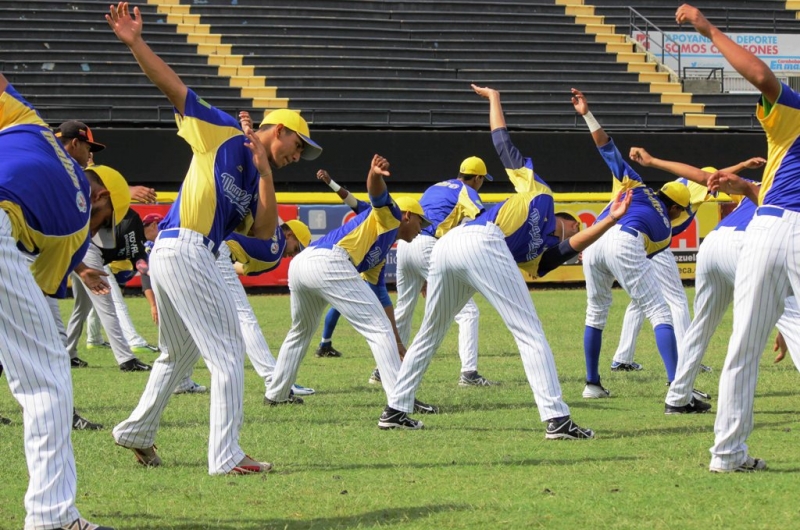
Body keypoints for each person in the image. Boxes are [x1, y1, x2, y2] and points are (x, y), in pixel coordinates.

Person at [107, 1, 321, 475]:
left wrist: (266, 172)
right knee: (227, 354)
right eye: (297, 146)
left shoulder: (258, 175)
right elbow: (174, 88)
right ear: (279, 129)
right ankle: (225, 456)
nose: (298, 156)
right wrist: (136, 42)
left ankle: (136, 431)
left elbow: (263, 233)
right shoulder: (221, 130)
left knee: (178, 354)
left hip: (183, 254)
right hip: (184, 247)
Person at [379, 85, 631, 435]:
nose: (575, 231)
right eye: (576, 225)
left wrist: (608, 221)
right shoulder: (540, 192)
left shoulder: (538, 253)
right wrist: (495, 99)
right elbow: (502, 142)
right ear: (565, 217)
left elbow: (562, 253)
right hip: (474, 239)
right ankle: (557, 418)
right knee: (528, 331)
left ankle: (395, 409)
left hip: (460, 248)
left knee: (431, 332)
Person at [677, 3, 800, 473]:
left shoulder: (793, 116)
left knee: (743, 347)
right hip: (783, 226)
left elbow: (764, 78)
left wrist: (708, 29)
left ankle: (727, 454)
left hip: (765, 229)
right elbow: (764, 77)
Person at [0, 73, 116, 530]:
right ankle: (52, 518)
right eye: (106, 218)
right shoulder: (77, 221)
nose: (100, 227)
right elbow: (40, 297)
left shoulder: (30, 124)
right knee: (47, 380)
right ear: (100, 198)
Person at [264, 155, 436, 414]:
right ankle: (401, 402)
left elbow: (382, 300)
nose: (421, 229)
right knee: (378, 330)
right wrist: (374, 174)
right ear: (408, 216)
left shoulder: (380, 251)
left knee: (301, 331)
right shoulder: (391, 216)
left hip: (303, 264)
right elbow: (376, 193)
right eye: (421, 223)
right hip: (328, 260)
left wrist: (398, 342)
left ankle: (276, 394)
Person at [572, 88, 689, 402]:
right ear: (675, 208)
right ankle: (678, 388)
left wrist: (587, 114)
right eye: (681, 211)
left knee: (595, 313)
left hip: (595, 239)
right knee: (659, 310)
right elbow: (640, 260)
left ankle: (592, 384)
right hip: (626, 241)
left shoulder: (637, 183)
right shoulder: (666, 229)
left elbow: (605, 146)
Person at [609, 150, 766, 374]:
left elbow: (715, 176)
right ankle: (687, 358)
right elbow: (712, 177)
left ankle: (622, 358)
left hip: (642, 239)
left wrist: (742, 165)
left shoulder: (681, 185)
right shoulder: (695, 187)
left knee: (641, 300)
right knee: (677, 300)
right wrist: (741, 165)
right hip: (656, 241)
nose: (714, 182)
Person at [393, 156, 495, 387]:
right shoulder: (467, 191)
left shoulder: (435, 187)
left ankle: (384, 368)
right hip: (428, 245)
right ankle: (469, 374)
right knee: (468, 311)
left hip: (405, 245)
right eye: (482, 180)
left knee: (404, 309)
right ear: (477, 178)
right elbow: (482, 221)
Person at [65, 168, 153, 373]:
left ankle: (68, 353)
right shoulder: (112, 214)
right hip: (88, 251)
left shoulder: (131, 223)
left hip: (86, 253)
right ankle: (126, 359)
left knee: (82, 307)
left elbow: (139, 259)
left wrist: (150, 271)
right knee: (107, 304)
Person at [84, 213, 162, 357]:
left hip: (98, 262)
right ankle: (134, 342)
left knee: (90, 304)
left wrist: (152, 273)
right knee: (116, 303)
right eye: (161, 228)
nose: (161, 234)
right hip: (94, 257)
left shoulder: (141, 245)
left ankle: (94, 339)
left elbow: (140, 264)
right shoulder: (132, 223)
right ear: (153, 225)